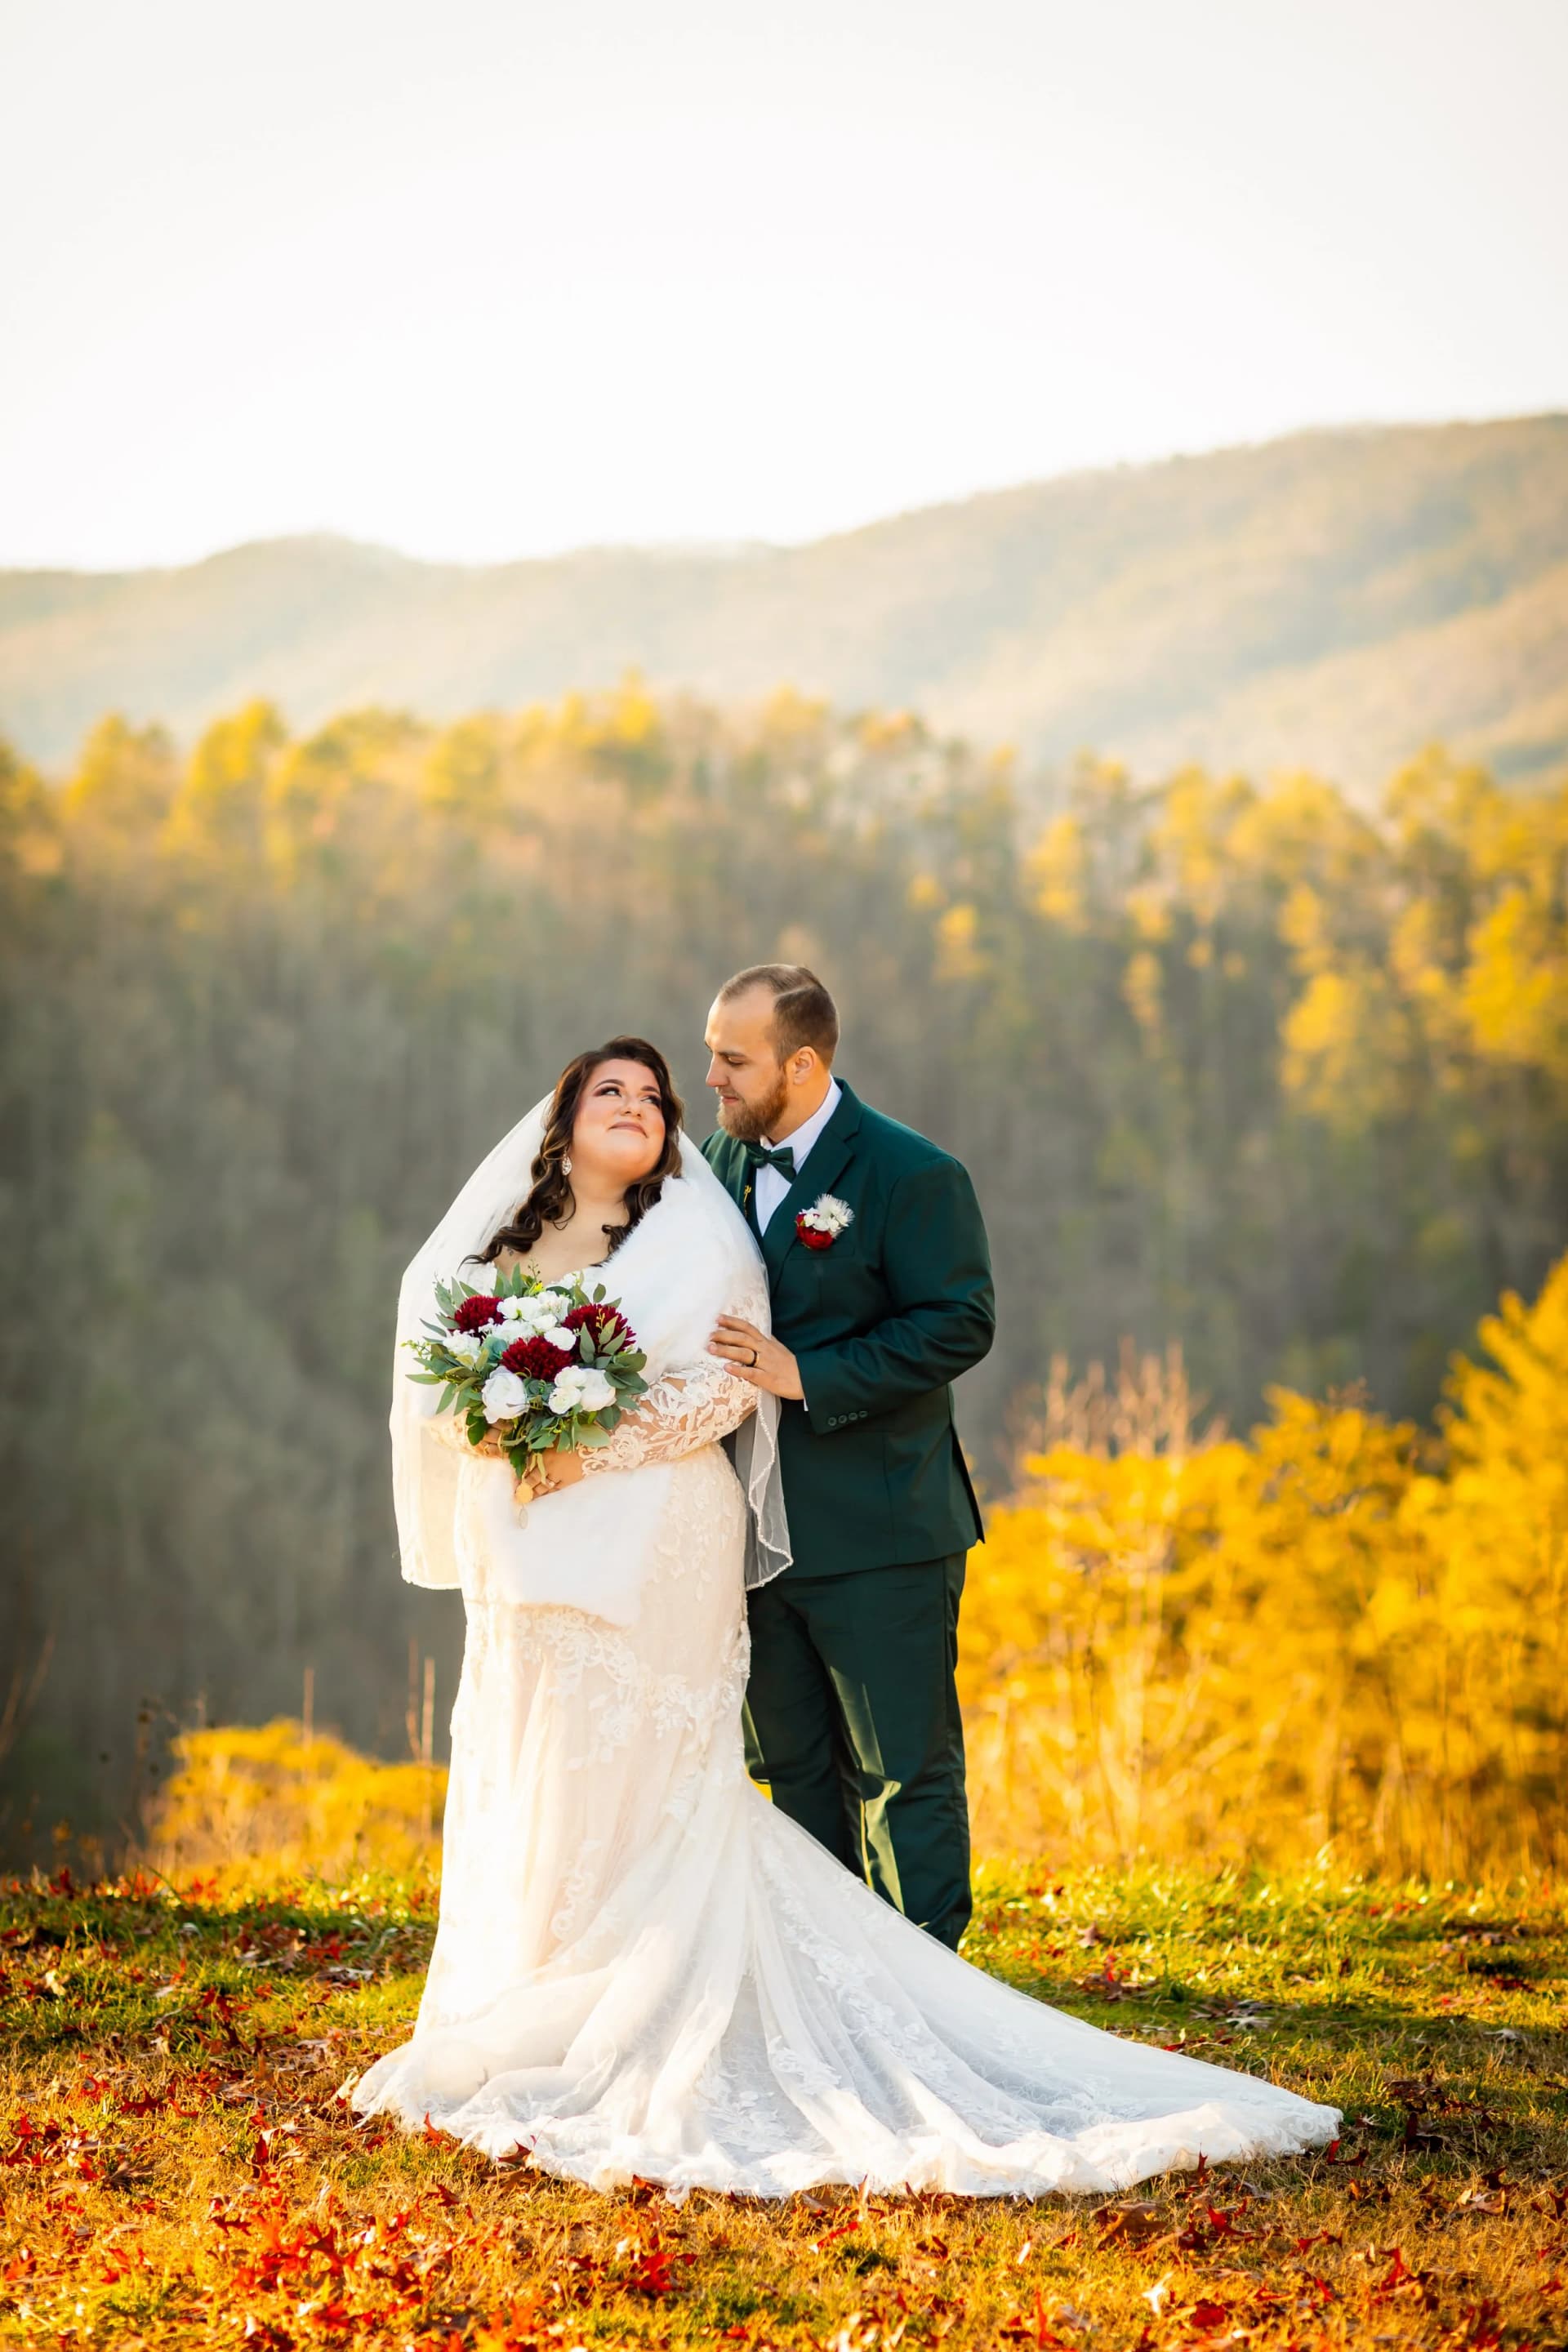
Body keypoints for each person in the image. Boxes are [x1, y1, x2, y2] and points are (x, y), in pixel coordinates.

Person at [353, 1031, 1339, 2196]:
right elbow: (445, 1383)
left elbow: (725, 1382)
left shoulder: (696, 1226)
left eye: (658, 1096)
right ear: (559, 1118)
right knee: (547, 1760)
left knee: (667, 1772)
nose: (642, 1104)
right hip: (532, 1549)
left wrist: (581, 1450)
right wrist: (501, 1428)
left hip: (656, 1532)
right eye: (608, 1090)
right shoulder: (492, 1245)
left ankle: (680, 1996)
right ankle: (537, 1986)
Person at [700, 964, 992, 1952]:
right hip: (748, 1535)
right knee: (790, 1767)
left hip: (881, 1528)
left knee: (902, 1768)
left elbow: (959, 1324)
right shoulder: (718, 1164)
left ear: (805, 1063)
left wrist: (805, 1373)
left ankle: (926, 1982)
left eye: (732, 1061)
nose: (713, 1080)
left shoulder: (914, 1175)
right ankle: (821, 1976)